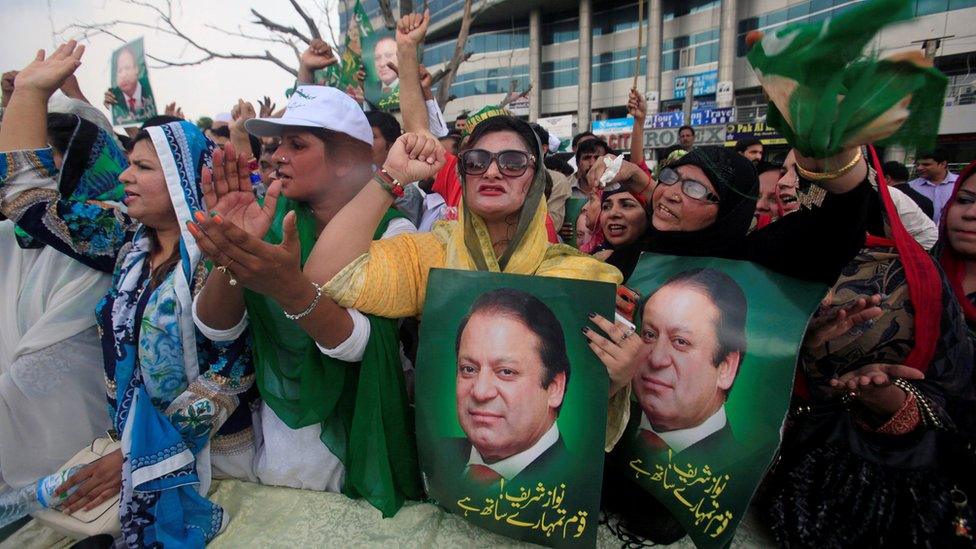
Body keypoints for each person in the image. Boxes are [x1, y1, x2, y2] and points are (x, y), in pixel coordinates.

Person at [0, 42, 256, 545]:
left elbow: (231, 372)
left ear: (183, 177)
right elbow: (25, 200)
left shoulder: (217, 250)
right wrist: (30, 93)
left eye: (142, 168)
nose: (122, 176)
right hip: (126, 449)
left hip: (216, 457)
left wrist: (133, 456)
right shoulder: (123, 242)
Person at [188, 84, 421, 517]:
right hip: (275, 446)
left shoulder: (394, 233)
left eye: (297, 145)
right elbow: (216, 327)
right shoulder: (268, 219)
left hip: (358, 444)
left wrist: (288, 285)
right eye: (277, 145)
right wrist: (231, 254)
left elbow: (362, 345)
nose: (277, 157)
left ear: (346, 159)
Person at [0, 97, 124, 490]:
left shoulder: (110, 232)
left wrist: (29, 94)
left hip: (80, 438)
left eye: (43, 157)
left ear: (76, 161)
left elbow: (47, 365)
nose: (31, 168)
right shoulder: (13, 238)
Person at [452, 288, 570, 483]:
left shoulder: (579, 480)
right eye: (469, 369)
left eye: (506, 372)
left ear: (554, 387)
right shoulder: (434, 458)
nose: (480, 392)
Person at [634, 268, 746, 454]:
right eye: (649, 334)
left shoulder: (740, 469)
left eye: (681, 342)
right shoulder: (609, 419)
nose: (656, 359)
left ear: (726, 367)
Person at [908, 149, 957, 226]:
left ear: (943, 164)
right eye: (917, 165)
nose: (919, 168)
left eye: (926, 164)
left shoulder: (961, 184)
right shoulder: (911, 187)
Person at [113, 46, 153, 117]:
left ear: (136, 69)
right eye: (119, 71)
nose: (123, 75)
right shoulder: (116, 100)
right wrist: (112, 107)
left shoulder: (149, 92)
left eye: (127, 68)